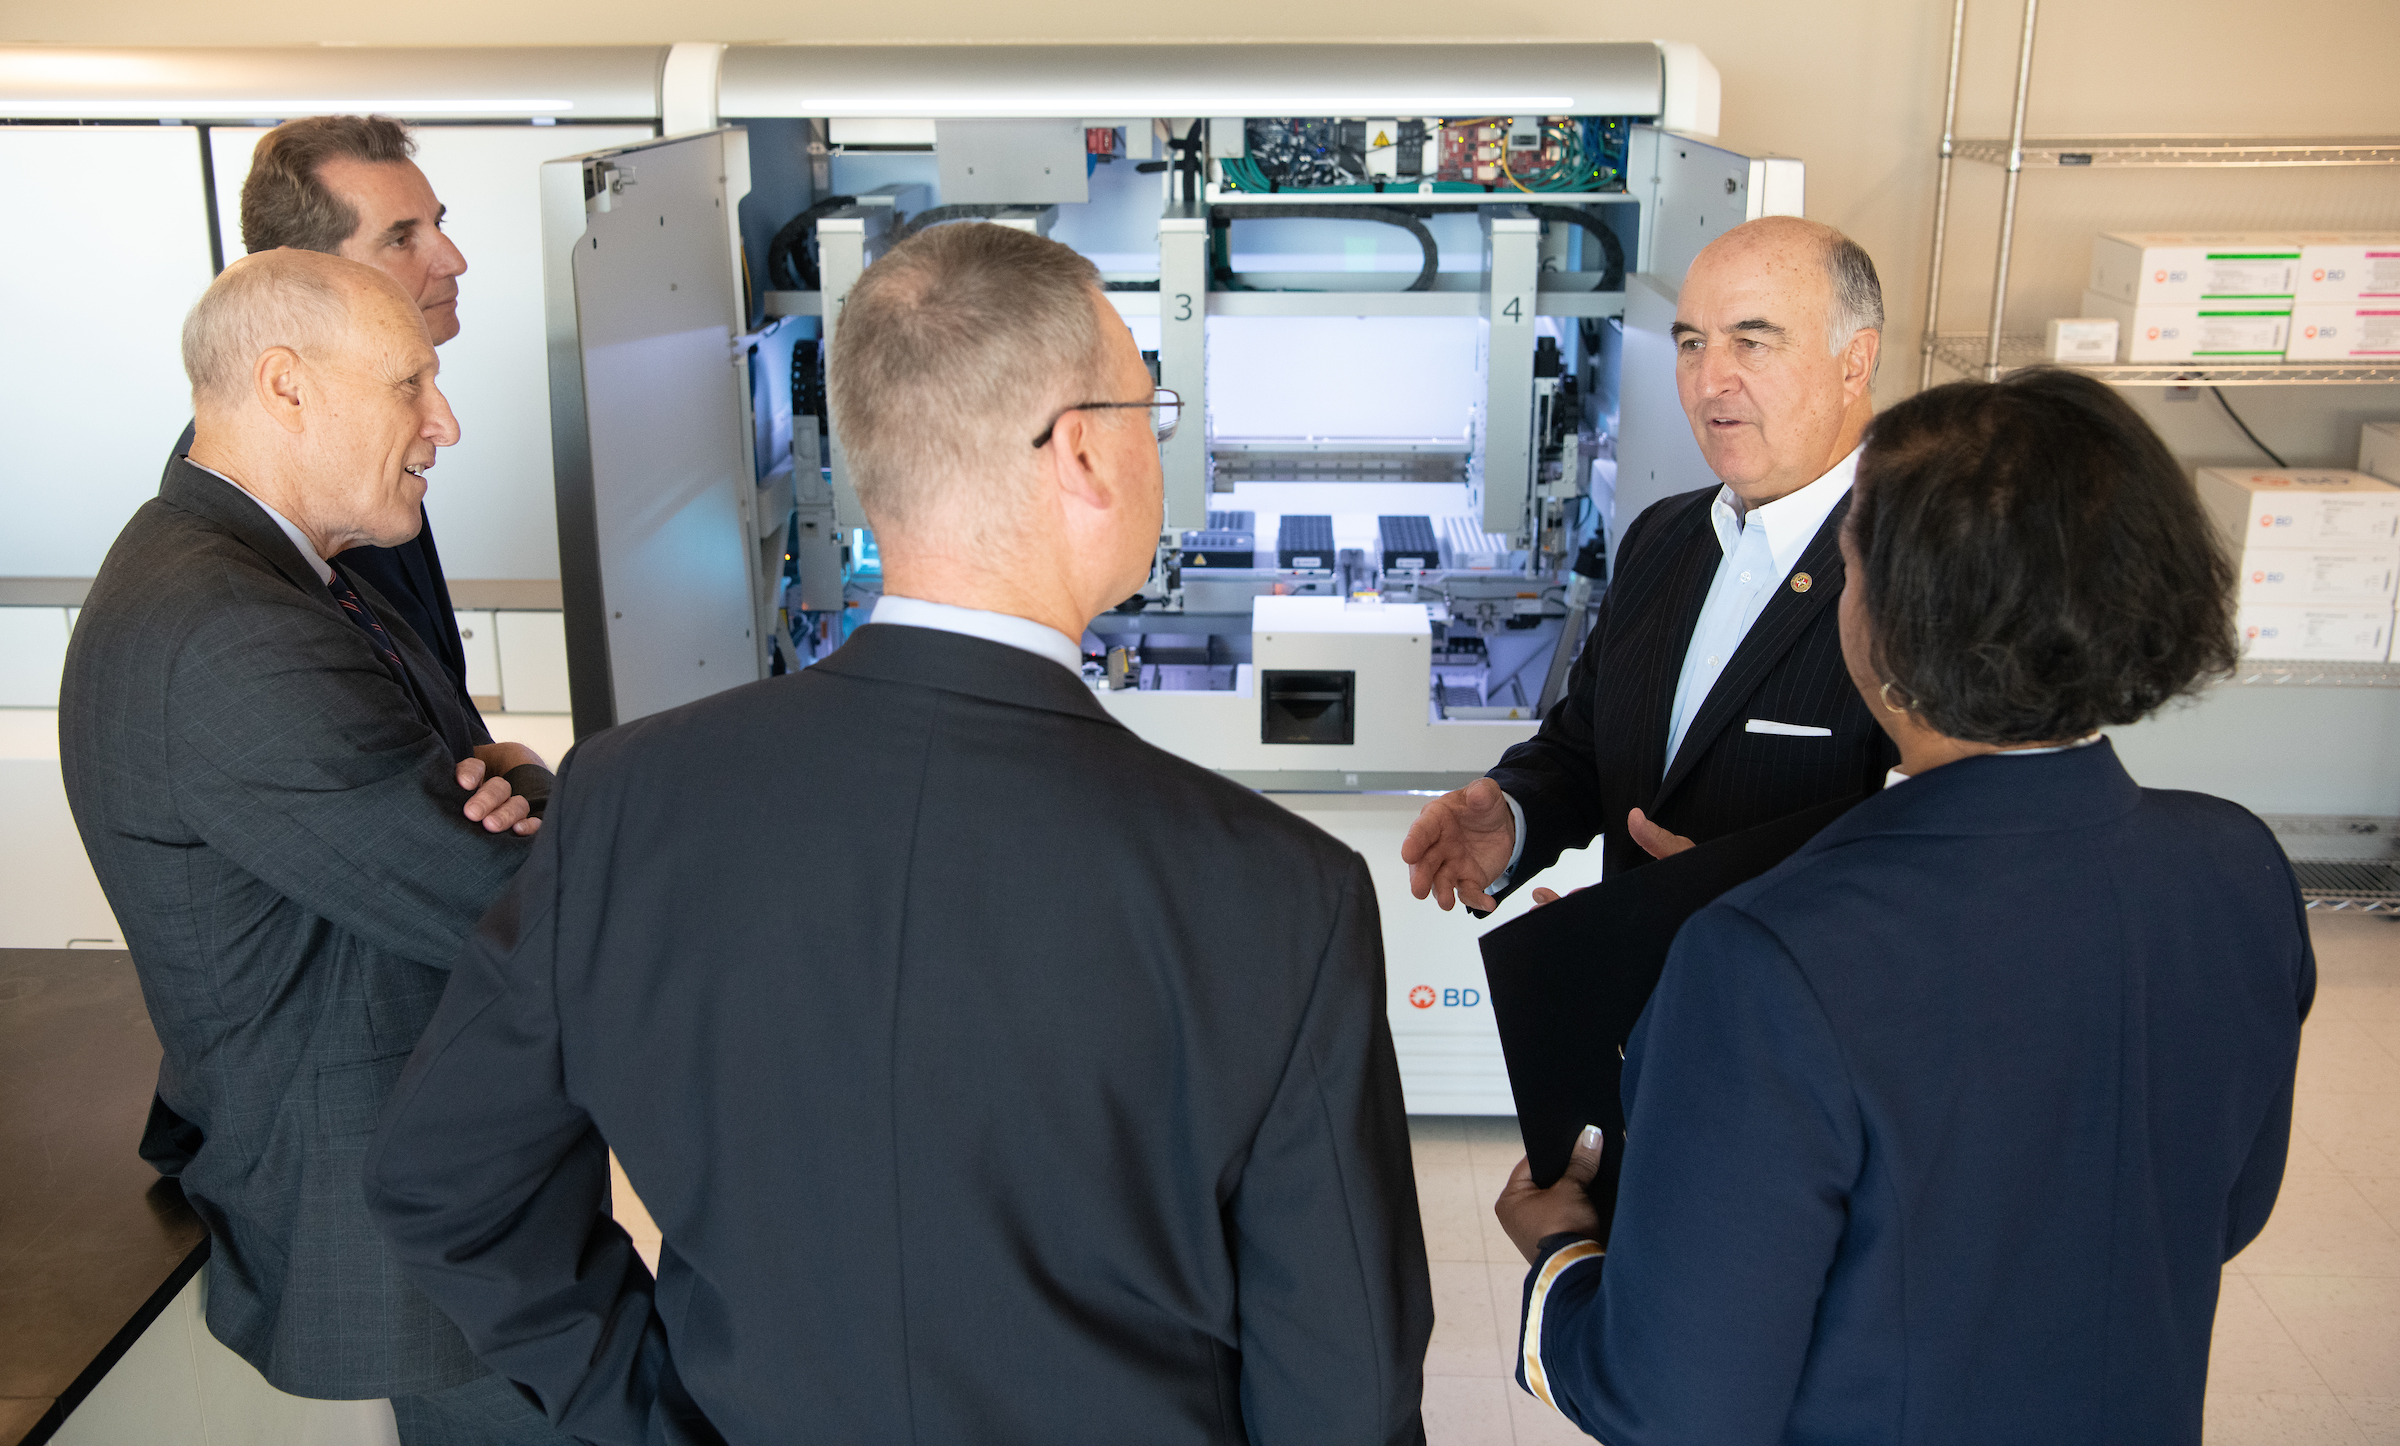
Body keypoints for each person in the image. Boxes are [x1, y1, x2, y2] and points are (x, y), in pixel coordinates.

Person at [363, 222, 1433, 1446]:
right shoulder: (1280, 892)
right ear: (1081, 450)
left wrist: (652, 1416)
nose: (1160, 443)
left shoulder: (622, 800)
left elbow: (440, 1180)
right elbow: (1343, 1392)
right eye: (1154, 407)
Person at [1494, 368, 2313, 1444]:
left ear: (1883, 623)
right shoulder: (2236, 866)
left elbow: (1674, 1401)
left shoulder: (1762, 957)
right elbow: (2221, 1211)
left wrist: (1563, 1252)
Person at [61, 250, 568, 1445]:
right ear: (286, 387)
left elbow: (471, 792)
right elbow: (495, 897)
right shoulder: (229, 632)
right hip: (394, 1207)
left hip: (437, 1161)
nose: (443, 422)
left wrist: (530, 781)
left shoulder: (279, 573)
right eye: (411, 384)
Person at [1402, 216, 1899, 913]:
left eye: (1751, 342)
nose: (1708, 380)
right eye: (1692, 344)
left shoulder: (1921, 576)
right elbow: (1589, 744)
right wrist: (1515, 817)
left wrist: (1727, 912)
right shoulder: (1664, 536)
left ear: (1855, 361)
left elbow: (1952, 878)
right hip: (1641, 1014)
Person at [170, 114, 476, 701]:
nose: (453, 259)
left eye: (438, 225)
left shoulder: (377, 428)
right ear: (307, 270)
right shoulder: (292, 470)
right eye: (401, 238)